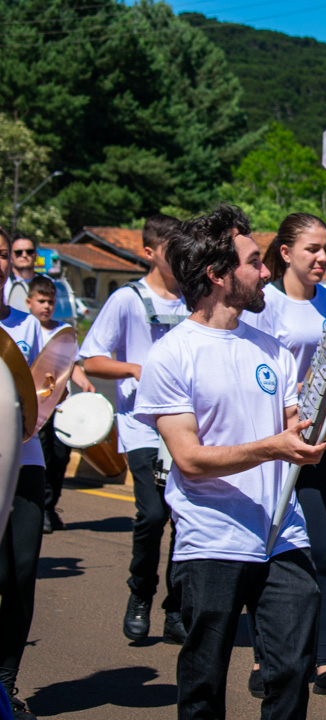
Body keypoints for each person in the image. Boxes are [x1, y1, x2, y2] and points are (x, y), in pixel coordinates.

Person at [134, 205, 326, 719]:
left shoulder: (273, 350)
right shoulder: (172, 355)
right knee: (204, 680)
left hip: (282, 533)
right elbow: (191, 460)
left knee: (289, 670)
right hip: (212, 537)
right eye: (252, 263)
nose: (266, 272)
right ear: (218, 277)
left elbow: (297, 429)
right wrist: (272, 447)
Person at [240, 213, 326, 699]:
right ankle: (263, 658)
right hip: (275, 443)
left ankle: (325, 663)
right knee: (271, 549)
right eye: (313, 248)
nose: (323, 257)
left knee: (323, 550)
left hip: (319, 443)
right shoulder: (264, 302)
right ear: (286, 251)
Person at [79, 214, 189, 644]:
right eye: (171, 250)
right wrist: (133, 368)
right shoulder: (127, 299)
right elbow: (91, 359)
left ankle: (176, 607)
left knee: (185, 518)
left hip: (186, 425)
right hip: (142, 426)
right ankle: (140, 594)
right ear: (149, 252)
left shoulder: (194, 300)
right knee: (153, 514)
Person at [0, 226, 46, 718]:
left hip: (25, 459)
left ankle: (5, 682)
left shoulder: (25, 326)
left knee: (22, 571)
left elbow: (38, 392)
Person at [25, 275, 96, 533]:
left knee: (59, 459)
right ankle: (41, 509)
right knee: (41, 459)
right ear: (29, 302)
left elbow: (71, 365)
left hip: (61, 406)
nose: (46, 306)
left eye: (51, 302)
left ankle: (51, 505)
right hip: (37, 408)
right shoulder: (27, 329)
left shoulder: (62, 332)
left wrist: (84, 383)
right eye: (41, 301)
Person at [3, 234, 38, 312]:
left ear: (36, 256)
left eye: (29, 252)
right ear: (10, 257)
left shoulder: (48, 282)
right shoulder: (3, 284)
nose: (24, 255)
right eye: (19, 252)